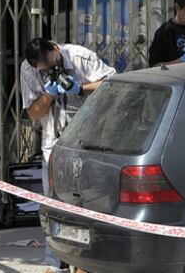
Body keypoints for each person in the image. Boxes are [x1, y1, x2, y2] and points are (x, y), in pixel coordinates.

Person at [20, 38, 115, 273]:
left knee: (89, 204)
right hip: (54, 146)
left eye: (51, 64)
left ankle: (86, 264)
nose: (49, 70)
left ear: (55, 48)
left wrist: (80, 88)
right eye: (43, 70)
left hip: (89, 144)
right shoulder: (28, 69)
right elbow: (33, 113)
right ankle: (55, 263)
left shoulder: (81, 56)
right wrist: (49, 95)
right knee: (55, 206)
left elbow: (113, 85)